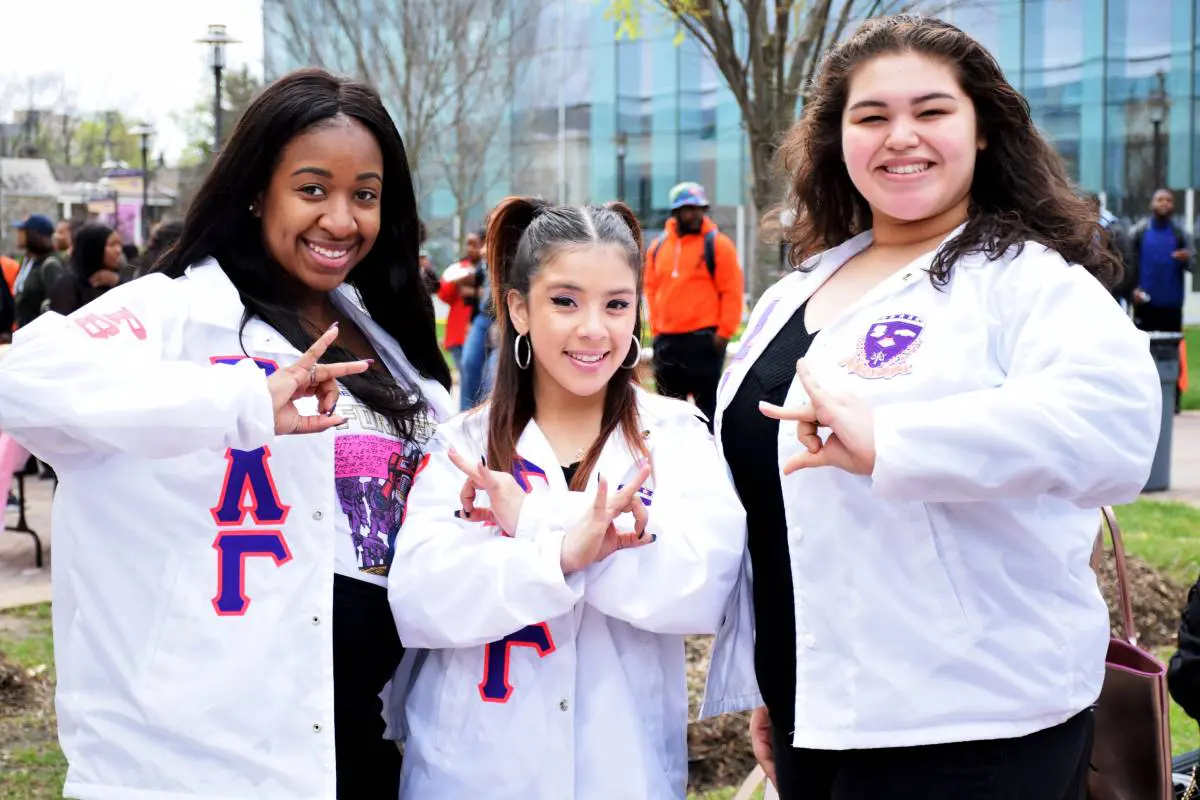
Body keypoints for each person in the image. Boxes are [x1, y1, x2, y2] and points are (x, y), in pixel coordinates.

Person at [700, 15, 1162, 800]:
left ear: (982, 130)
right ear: (837, 140)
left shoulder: (1024, 280)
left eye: (932, 111)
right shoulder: (793, 292)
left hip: (971, 725)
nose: (900, 137)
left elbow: (1114, 427)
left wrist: (897, 437)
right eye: (871, 117)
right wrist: (777, 677)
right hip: (819, 709)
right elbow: (779, 513)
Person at [0, 67, 453, 800]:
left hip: (355, 750)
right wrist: (240, 399)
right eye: (312, 189)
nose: (341, 219)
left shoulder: (381, 333)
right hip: (194, 766)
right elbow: (25, 380)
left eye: (363, 195)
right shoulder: (173, 312)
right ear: (255, 189)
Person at [386, 197, 746, 799]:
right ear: (519, 308)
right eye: (564, 301)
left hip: (623, 771)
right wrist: (562, 555)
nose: (593, 329)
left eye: (616, 304)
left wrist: (535, 519)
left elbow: (702, 590)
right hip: (471, 772)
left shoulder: (676, 436)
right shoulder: (461, 444)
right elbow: (422, 600)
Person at [644, 181, 744, 429]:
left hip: (704, 341)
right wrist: (657, 330)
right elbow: (651, 289)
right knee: (668, 411)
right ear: (676, 212)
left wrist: (723, 335)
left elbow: (732, 291)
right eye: (688, 209)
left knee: (707, 411)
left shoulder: (719, 245)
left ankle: (710, 460)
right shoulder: (658, 247)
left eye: (699, 208)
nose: (694, 214)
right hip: (667, 343)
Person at [48, 223, 123, 317]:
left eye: (119, 244)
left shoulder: (118, 280)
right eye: (112, 245)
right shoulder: (68, 285)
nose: (118, 250)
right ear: (93, 249)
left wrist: (117, 282)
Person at [436, 231, 484, 377]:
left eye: (474, 245)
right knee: (467, 378)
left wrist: (475, 291)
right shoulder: (458, 269)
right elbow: (443, 295)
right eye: (468, 244)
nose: (470, 249)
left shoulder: (487, 269)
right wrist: (454, 283)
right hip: (457, 334)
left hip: (478, 331)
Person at [11, 214, 66, 329]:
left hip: (40, 337)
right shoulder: (28, 261)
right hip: (24, 335)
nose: (18, 234)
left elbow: (57, 308)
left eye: (22, 230)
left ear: (34, 235)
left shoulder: (51, 264)